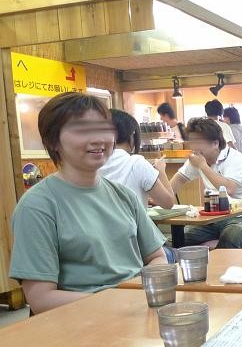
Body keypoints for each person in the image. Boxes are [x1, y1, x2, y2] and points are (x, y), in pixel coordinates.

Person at [10, 92, 168, 314]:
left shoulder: (123, 195)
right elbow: (41, 298)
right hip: (79, 322)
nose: (98, 139)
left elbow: (157, 257)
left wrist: (139, 292)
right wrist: (117, 302)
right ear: (53, 141)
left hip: (135, 311)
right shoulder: (37, 206)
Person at [170, 117, 242, 248]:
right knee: (178, 239)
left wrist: (203, 166)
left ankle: (219, 258)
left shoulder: (235, 158)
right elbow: (177, 182)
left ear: (215, 143)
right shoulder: (197, 160)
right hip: (214, 219)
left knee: (230, 237)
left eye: (198, 141)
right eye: (191, 141)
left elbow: (229, 189)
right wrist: (159, 195)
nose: (193, 147)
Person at [99, 109, 175, 208]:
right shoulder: (136, 163)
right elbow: (168, 203)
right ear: (132, 136)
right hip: (131, 219)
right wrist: (161, 171)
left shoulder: (92, 163)